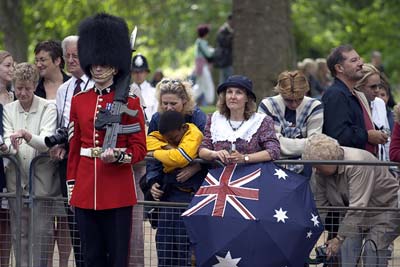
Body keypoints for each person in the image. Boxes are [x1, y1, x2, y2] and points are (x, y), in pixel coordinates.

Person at [66, 13, 146, 267]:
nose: (98, 67)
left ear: (114, 64)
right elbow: (75, 146)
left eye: (104, 62)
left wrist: (121, 156)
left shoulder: (130, 101)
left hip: (118, 188)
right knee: (91, 257)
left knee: (117, 257)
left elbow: (140, 148)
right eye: (94, 62)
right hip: (86, 188)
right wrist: (72, 184)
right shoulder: (79, 101)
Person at [303, 133, 399, 266]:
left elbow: (358, 206)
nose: (315, 170)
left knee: (372, 250)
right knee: (347, 250)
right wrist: (315, 233)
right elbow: (321, 206)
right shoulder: (320, 171)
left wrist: (338, 238)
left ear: (331, 160)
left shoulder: (358, 162)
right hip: (352, 215)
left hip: (384, 210)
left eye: (318, 166)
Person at [2, 62, 58, 267]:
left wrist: (26, 135)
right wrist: (6, 147)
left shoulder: (48, 108)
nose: (23, 93)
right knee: (19, 234)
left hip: (42, 183)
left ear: (35, 85)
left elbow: (46, 142)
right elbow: (9, 142)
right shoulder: (8, 109)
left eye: (27, 88)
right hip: (16, 182)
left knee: (42, 234)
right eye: (18, 88)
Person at [50, 35, 93, 267]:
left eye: (75, 55)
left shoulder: (96, 85)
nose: (71, 59)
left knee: (89, 218)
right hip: (67, 162)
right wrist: (58, 144)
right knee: (73, 217)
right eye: (67, 55)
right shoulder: (63, 89)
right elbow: (59, 122)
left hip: (89, 159)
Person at [147, 110, 206, 266]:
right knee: (164, 244)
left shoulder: (194, 133)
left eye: (173, 138)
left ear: (183, 128)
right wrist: (169, 148)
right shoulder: (162, 133)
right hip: (169, 194)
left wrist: (155, 153)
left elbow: (181, 158)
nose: (171, 141)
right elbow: (147, 142)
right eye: (166, 139)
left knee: (185, 247)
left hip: (190, 196)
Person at [199, 75, 280, 164]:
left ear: (247, 98)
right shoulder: (213, 119)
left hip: (251, 174)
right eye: (229, 92)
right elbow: (202, 150)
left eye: (238, 93)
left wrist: (245, 158)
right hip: (219, 174)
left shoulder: (261, 121)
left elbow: (273, 151)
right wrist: (215, 154)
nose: (233, 97)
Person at [322, 44, 387, 155]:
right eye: (354, 60)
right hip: (350, 167)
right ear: (339, 68)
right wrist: (367, 136)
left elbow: (357, 125)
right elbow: (338, 135)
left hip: (366, 163)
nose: (361, 63)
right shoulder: (335, 95)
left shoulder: (355, 94)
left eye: (359, 59)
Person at [258, 70, 323, 175]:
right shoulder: (267, 105)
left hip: (305, 169)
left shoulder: (314, 106)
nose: (294, 104)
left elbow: (315, 144)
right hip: (272, 167)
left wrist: (279, 143)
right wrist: (304, 144)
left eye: (299, 99)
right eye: (288, 100)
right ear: (280, 92)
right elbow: (266, 143)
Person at [355, 63, 390, 161]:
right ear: (359, 86)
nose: (377, 90)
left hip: (381, 163)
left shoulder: (379, 103)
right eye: (372, 87)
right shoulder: (353, 104)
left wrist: (390, 165)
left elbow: (387, 136)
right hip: (361, 161)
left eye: (378, 86)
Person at [0, 50, 14, 267]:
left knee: (7, 226)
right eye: (8, 65)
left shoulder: (15, 96)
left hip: (12, 166)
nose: (12, 69)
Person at [130, 53, 158, 124]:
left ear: (146, 73)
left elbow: (156, 116)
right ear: (131, 73)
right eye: (135, 72)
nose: (138, 74)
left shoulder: (155, 92)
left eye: (141, 72)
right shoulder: (125, 92)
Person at [194, 24, 215, 106]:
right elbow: (208, 54)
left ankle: (189, 98)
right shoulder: (201, 42)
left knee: (200, 86)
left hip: (200, 66)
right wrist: (213, 51)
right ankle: (210, 101)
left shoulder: (199, 42)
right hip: (202, 66)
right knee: (208, 84)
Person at [214, 14, 234, 84]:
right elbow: (223, 43)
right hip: (225, 59)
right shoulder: (223, 30)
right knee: (225, 80)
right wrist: (231, 36)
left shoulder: (229, 30)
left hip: (227, 60)